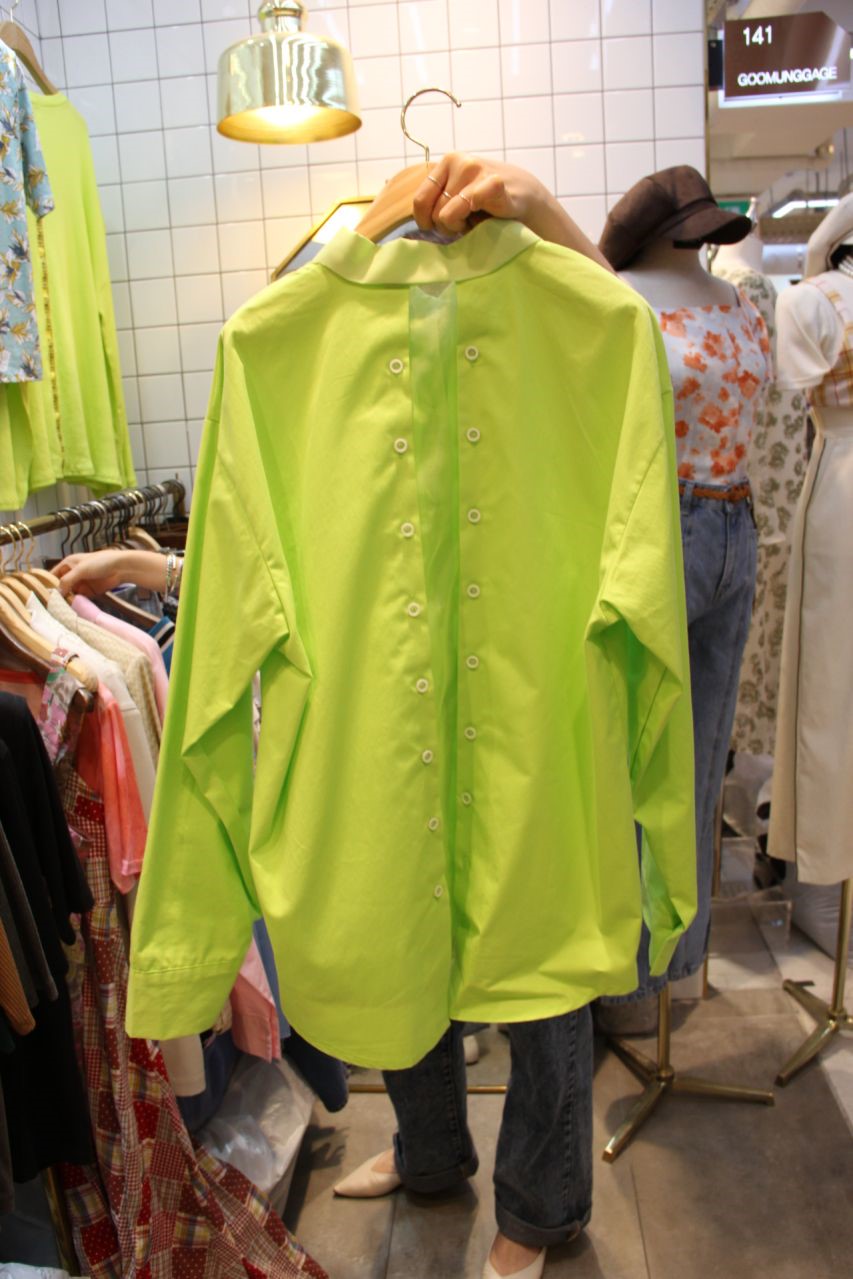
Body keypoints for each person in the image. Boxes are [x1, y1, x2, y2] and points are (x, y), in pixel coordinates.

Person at [54, 155, 656, 1279]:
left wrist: (543, 214)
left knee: (539, 972)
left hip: (535, 738)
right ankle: (429, 1155)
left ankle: (539, 1208)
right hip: (371, 738)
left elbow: (634, 361)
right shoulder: (276, 344)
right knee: (395, 934)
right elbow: (249, 576)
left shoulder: (585, 327)